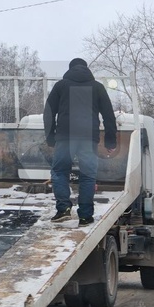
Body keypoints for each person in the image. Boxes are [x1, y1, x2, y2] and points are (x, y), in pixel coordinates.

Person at [43, 58, 117, 226]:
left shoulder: (61, 86)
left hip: (65, 137)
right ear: (86, 69)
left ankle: (63, 209)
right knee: (88, 176)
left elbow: (48, 112)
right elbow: (108, 115)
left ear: (70, 69)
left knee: (59, 172)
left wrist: (51, 137)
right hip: (88, 138)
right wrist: (110, 142)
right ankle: (85, 216)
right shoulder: (97, 87)